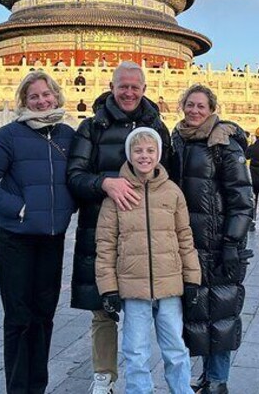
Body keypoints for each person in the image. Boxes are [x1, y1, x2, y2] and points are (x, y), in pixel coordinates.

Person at [66, 61, 170, 394]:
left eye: (135, 87)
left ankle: (144, 375)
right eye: (122, 86)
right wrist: (105, 184)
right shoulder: (91, 127)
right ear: (111, 87)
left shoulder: (158, 127)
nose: (128, 92)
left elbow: (170, 180)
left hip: (147, 235)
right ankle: (104, 376)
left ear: (144, 89)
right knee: (102, 309)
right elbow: (74, 177)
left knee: (147, 308)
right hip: (101, 231)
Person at [0, 71, 77, 394]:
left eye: (47, 95)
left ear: (57, 96)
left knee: (44, 316)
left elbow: (80, 176)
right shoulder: (10, 135)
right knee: (19, 318)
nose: (42, 101)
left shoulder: (68, 136)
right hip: (16, 240)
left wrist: (66, 207)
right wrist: (19, 209)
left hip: (51, 239)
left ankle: (38, 387)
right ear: (24, 102)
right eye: (34, 97)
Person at [95, 128, 200, 394]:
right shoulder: (117, 194)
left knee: (175, 348)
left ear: (159, 155)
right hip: (133, 287)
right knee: (136, 351)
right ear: (129, 155)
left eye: (150, 150)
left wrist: (192, 279)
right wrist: (108, 287)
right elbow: (105, 245)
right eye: (138, 150)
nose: (144, 156)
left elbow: (185, 237)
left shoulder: (172, 192)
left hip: (169, 286)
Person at [169, 84, 253, 394]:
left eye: (200, 106)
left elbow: (242, 199)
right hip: (188, 245)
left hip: (219, 245)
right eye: (190, 104)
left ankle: (218, 381)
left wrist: (232, 242)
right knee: (198, 313)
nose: (194, 111)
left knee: (221, 313)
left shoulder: (224, 143)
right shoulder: (176, 139)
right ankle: (207, 378)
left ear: (211, 108)